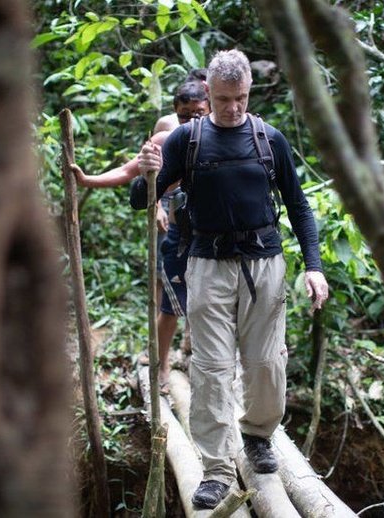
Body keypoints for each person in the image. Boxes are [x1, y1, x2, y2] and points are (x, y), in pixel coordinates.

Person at [129, 49, 329, 509]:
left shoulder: (269, 139)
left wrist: (314, 265)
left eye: (240, 98)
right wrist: (148, 173)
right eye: (223, 99)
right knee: (212, 369)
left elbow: (298, 206)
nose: (232, 108)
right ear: (209, 93)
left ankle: (258, 434)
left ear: (249, 93)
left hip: (265, 264)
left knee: (265, 364)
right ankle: (217, 469)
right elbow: (142, 198)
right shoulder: (187, 140)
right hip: (207, 264)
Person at [70, 80, 210, 386]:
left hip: (211, 238)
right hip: (178, 232)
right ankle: (161, 368)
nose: (193, 120)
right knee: (170, 305)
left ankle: (200, 362)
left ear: (210, 109)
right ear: (176, 113)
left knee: (208, 305)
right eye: (186, 115)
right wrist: (87, 180)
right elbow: (128, 172)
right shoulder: (165, 139)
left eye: (199, 112)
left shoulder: (223, 137)